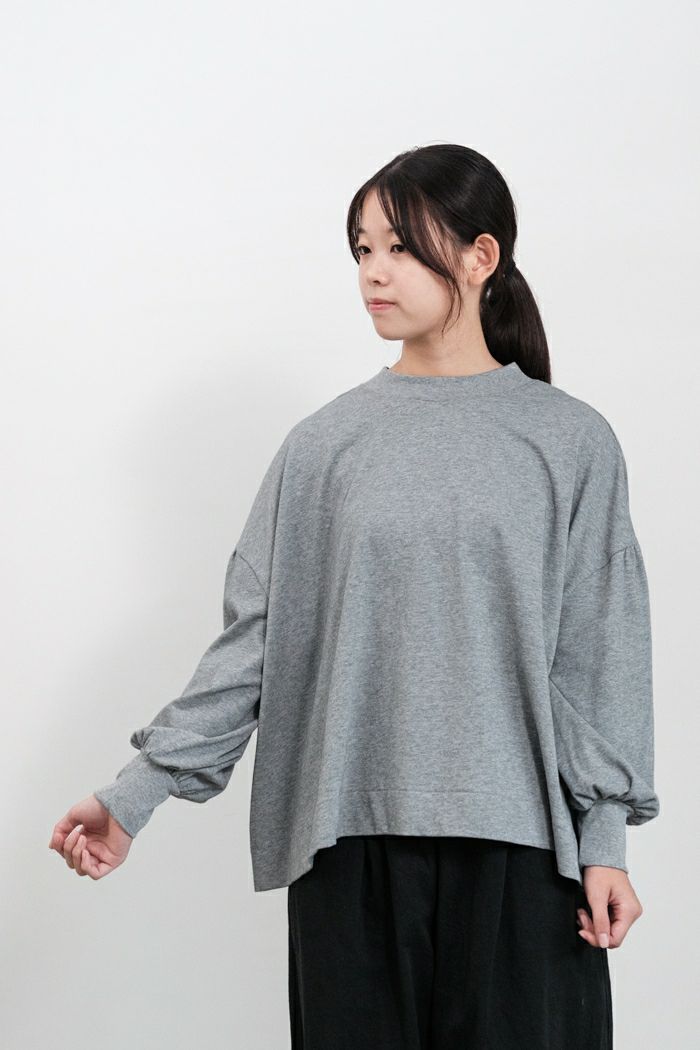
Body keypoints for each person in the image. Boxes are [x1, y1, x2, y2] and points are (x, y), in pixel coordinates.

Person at [49, 143, 660, 1048]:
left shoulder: (569, 442)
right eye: (362, 249)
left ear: (481, 257)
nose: (374, 272)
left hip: (528, 856)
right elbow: (255, 646)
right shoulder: (324, 447)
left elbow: (598, 650)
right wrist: (135, 794)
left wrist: (604, 839)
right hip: (347, 846)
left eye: (400, 248)